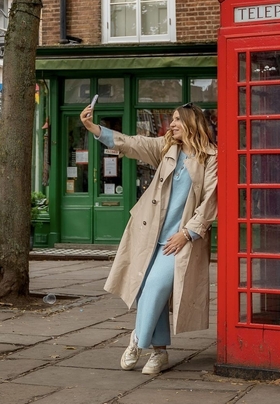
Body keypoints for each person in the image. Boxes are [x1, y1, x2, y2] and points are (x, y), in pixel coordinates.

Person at [80, 102, 218, 375]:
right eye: (173, 119)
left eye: (178, 119)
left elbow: (210, 201)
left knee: (155, 287)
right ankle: (159, 353)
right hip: (150, 233)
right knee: (145, 289)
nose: (173, 124)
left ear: (192, 123)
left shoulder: (211, 158)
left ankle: (137, 340)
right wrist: (94, 129)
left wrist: (186, 234)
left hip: (180, 240)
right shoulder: (167, 148)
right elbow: (132, 143)